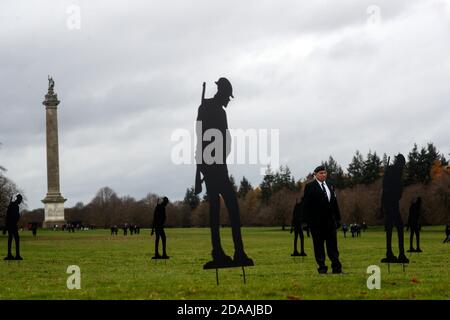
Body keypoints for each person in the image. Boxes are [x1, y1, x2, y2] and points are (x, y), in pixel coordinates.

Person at [194, 77, 253, 268]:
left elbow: (222, 138)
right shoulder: (209, 109)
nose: (229, 100)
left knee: (224, 209)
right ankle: (222, 253)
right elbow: (201, 138)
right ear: (221, 93)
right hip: (213, 167)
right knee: (222, 210)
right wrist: (204, 165)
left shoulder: (214, 109)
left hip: (216, 165)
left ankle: (234, 252)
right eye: (228, 96)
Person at [303, 166, 342, 274]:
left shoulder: (330, 185)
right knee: (319, 247)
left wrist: (338, 219)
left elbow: (334, 203)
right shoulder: (310, 187)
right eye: (321, 173)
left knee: (333, 247)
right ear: (315, 174)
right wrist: (305, 222)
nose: (323, 174)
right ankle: (322, 268)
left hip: (330, 223)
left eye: (325, 172)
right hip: (317, 224)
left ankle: (337, 268)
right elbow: (306, 205)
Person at [381, 154, 409, 263]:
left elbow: (389, 187)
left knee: (393, 227)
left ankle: (394, 253)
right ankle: (394, 253)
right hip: (391, 203)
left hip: (392, 203)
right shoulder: (394, 171)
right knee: (396, 227)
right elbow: (387, 187)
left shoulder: (394, 171)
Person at [4, 194, 23, 260]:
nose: (21, 201)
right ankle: (16, 255)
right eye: (20, 200)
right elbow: (14, 216)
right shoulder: (15, 205)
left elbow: (7, 216)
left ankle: (10, 254)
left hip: (10, 225)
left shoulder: (11, 204)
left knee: (10, 239)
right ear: (18, 199)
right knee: (16, 239)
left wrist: (6, 226)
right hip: (13, 224)